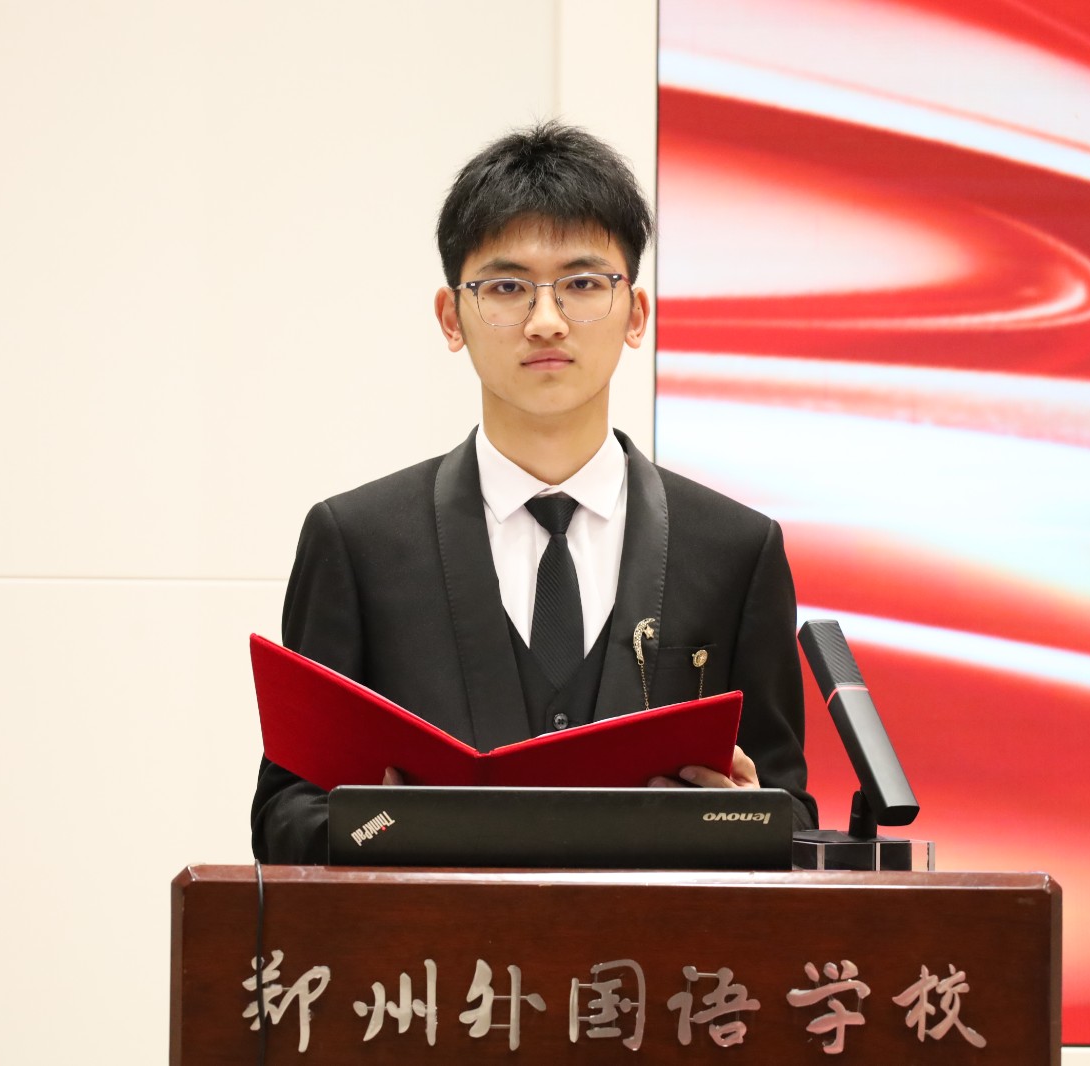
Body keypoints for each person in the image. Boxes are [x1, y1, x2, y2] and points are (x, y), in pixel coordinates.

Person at [251, 121, 816, 863]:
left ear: (636, 314)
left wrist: (742, 816)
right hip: (438, 941)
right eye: (507, 287)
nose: (545, 322)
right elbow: (284, 815)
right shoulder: (358, 542)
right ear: (451, 317)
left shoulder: (735, 549)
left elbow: (791, 814)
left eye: (582, 284)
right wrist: (389, 825)